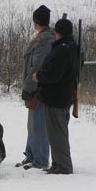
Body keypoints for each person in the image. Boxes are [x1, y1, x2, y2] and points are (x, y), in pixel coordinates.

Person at [32, 18, 79, 174]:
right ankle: (58, 163)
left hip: (56, 98)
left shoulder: (62, 50)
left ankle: (63, 166)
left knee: (57, 133)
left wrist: (39, 76)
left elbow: (54, 75)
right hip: (64, 96)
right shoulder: (73, 47)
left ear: (58, 32)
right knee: (56, 133)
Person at [17, 5, 54, 170]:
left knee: (39, 125)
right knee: (33, 124)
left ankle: (40, 160)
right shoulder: (42, 38)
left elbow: (36, 68)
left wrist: (28, 87)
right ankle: (31, 155)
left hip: (39, 89)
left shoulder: (45, 41)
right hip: (36, 88)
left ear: (36, 21)